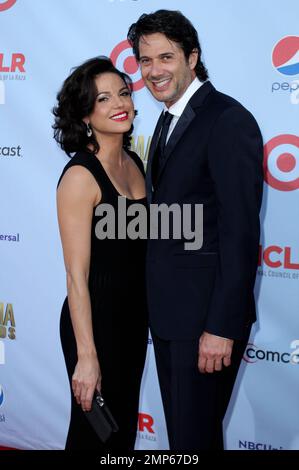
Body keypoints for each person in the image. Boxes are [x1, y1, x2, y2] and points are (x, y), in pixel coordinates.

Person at [127, 10, 264, 450]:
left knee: (194, 443)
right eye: (145, 61)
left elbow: (240, 232)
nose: (154, 71)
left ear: (192, 56)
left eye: (165, 57)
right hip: (172, 319)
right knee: (187, 442)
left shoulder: (227, 120)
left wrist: (221, 327)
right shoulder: (168, 118)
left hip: (207, 322)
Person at [53, 57, 148, 451]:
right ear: (86, 114)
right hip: (94, 322)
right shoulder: (80, 176)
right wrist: (87, 356)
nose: (118, 104)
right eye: (103, 98)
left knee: (121, 431)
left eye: (123, 93)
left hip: (133, 319)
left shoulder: (135, 163)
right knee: (94, 434)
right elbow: (76, 276)